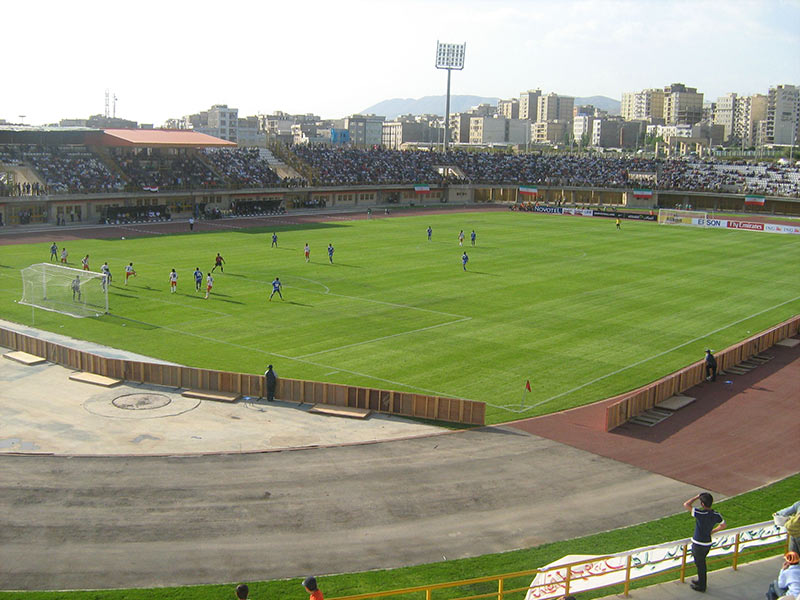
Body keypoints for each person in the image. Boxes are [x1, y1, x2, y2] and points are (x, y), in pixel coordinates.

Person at [683, 492, 726, 592]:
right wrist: (713, 531)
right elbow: (723, 525)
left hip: (698, 544)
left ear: (702, 504)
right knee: (701, 564)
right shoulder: (716, 515)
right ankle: (701, 581)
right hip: (707, 543)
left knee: (700, 565)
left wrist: (697, 497)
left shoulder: (700, 514)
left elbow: (686, 504)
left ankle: (702, 586)